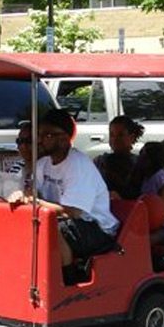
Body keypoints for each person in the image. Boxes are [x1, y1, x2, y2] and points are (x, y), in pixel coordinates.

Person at [31, 108, 120, 284]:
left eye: (47, 135)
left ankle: (67, 279)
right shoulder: (43, 164)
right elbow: (32, 190)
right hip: (68, 221)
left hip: (97, 229)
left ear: (64, 138)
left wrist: (35, 202)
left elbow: (72, 212)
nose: (40, 140)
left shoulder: (78, 165)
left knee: (51, 229)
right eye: (39, 134)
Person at [135, 140, 164, 246]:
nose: (139, 158)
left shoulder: (160, 177)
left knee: (142, 243)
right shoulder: (145, 177)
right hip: (148, 224)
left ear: (152, 160)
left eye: (143, 156)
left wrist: (155, 221)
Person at [95, 115, 145, 200]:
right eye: (112, 135)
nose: (115, 139)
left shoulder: (140, 163)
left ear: (132, 137)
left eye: (120, 135)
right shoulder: (100, 162)